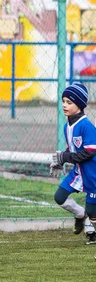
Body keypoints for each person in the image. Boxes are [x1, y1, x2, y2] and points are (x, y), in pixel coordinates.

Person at [50, 82, 96, 244]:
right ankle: (79, 215)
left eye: (69, 102)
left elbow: (89, 152)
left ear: (80, 104)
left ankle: (92, 232)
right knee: (59, 197)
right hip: (78, 172)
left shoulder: (86, 126)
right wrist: (59, 162)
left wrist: (65, 157)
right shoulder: (67, 126)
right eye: (63, 101)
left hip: (92, 174)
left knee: (93, 211)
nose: (64, 105)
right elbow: (72, 149)